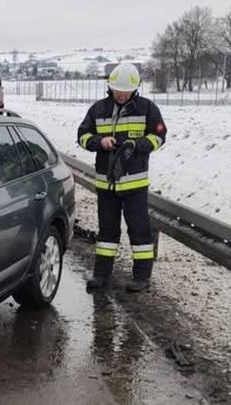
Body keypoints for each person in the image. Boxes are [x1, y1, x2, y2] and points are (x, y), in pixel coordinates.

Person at [76, 62, 166, 293]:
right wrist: (100, 142)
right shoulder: (98, 110)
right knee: (107, 230)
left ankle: (142, 276)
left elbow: (159, 137)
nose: (122, 95)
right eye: (118, 91)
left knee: (139, 229)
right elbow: (83, 136)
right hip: (107, 183)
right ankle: (101, 275)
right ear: (110, 88)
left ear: (135, 89)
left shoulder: (147, 109)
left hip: (135, 183)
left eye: (126, 91)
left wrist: (138, 145)